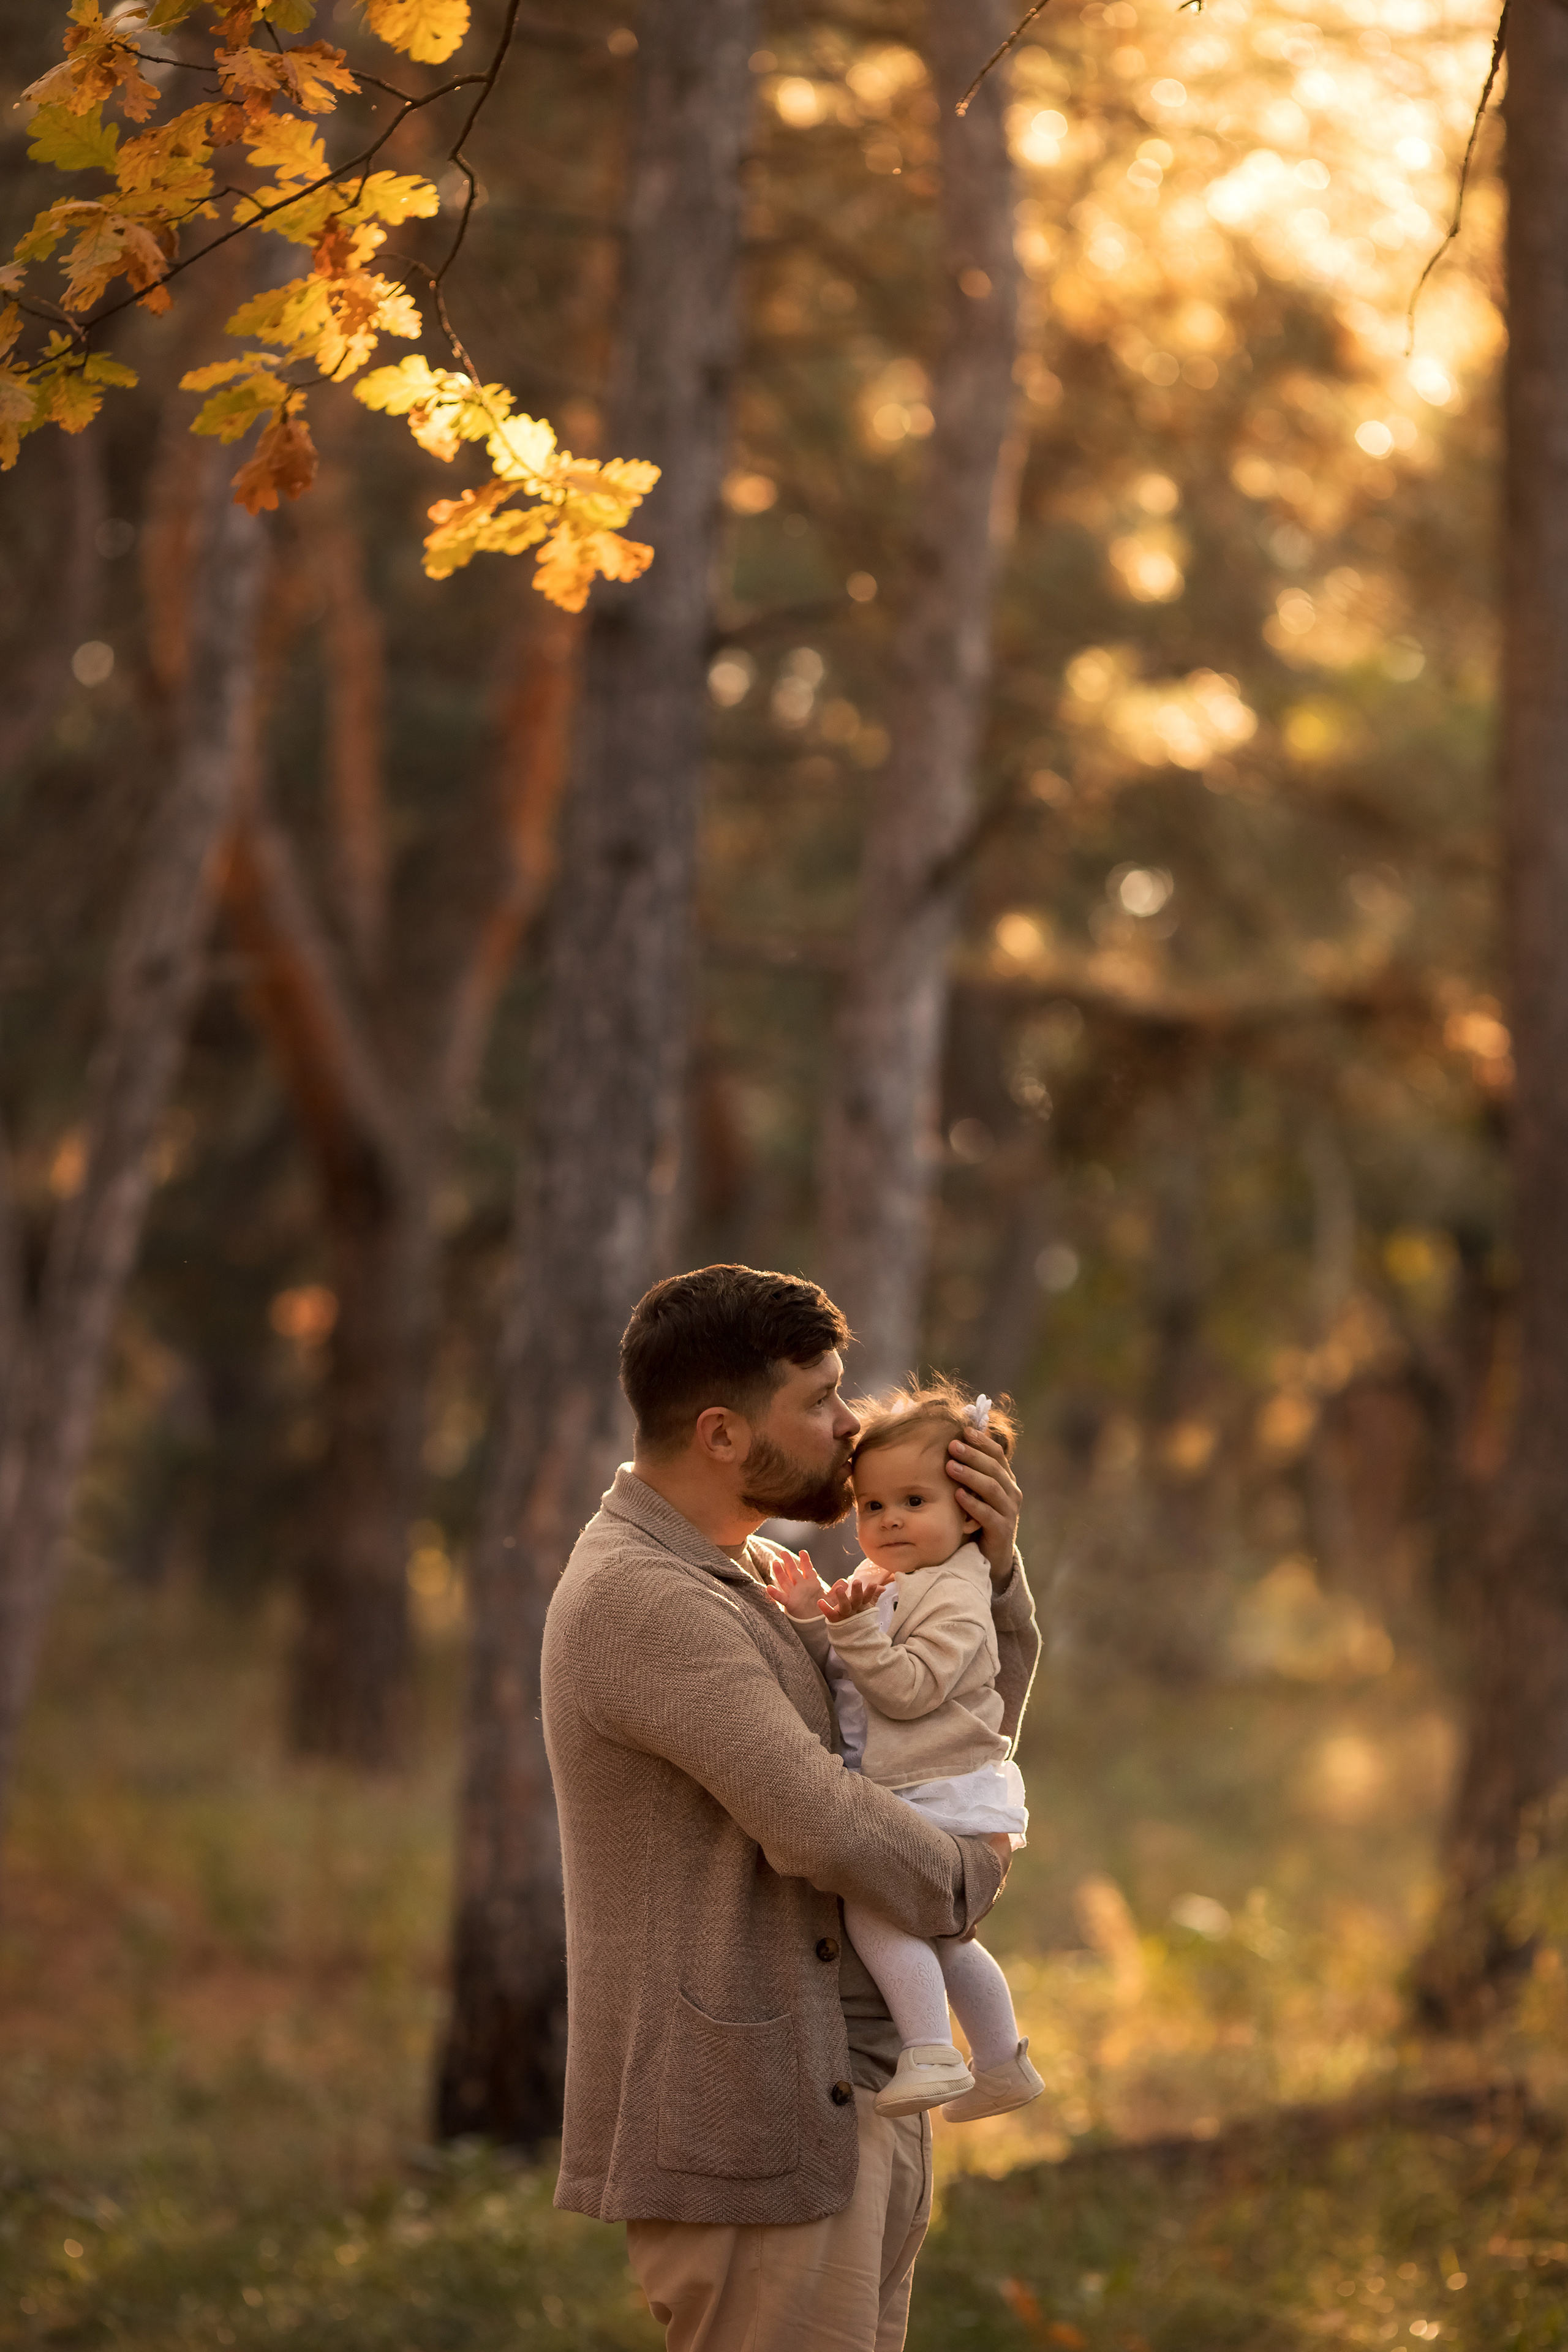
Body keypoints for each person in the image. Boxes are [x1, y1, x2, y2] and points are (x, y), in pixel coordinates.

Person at [540, 1264, 1041, 2352]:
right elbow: (819, 1818)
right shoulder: (644, 1597)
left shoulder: (751, 1566)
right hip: (751, 2142)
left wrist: (985, 1571)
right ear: (723, 1434)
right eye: (817, 1400)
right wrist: (966, 1878)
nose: (850, 1423)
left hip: (842, 2102)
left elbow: (939, 1722)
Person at [772, 1379, 1044, 2127]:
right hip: (919, 1784)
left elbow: (909, 1689)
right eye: (873, 1506)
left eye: (914, 1502)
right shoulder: (885, 1579)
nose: (890, 1521)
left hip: (941, 1789)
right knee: (949, 1939)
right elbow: (844, 1678)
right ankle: (1001, 2064)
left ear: (971, 1512)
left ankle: (930, 2053)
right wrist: (813, 1618)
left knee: (880, 1910)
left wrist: (852, 1630)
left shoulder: (956, 1592)